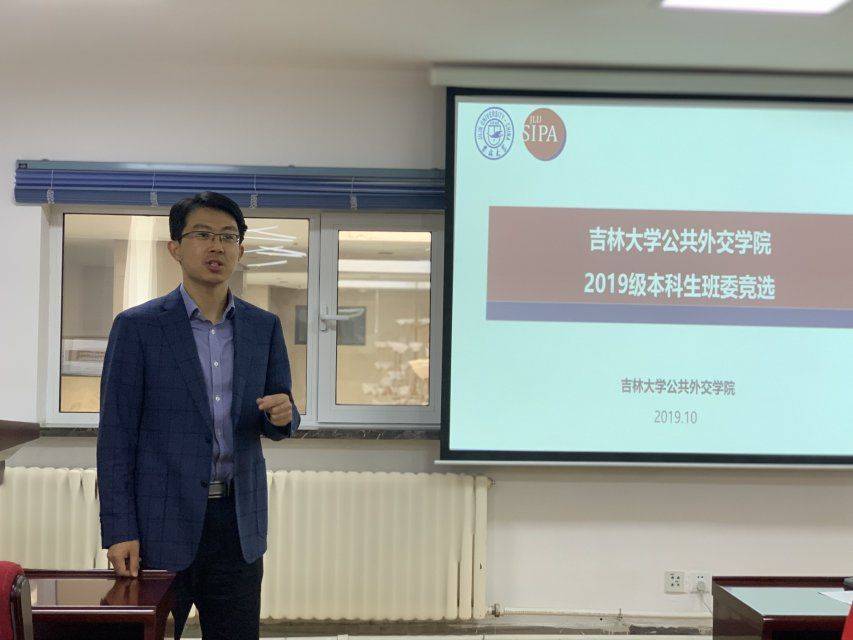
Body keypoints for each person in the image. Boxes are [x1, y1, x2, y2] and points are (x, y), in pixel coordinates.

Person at [96, 191, 300, 640]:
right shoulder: (138, 327)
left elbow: (279, 413)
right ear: (175, 247)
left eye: (228, 237)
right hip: (158, 525)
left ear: (240, 250)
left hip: (237, 525)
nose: (217, 246)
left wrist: (284, 416)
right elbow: (115, 438)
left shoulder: (263, 327)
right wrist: (119, 529)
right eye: (203, 234)